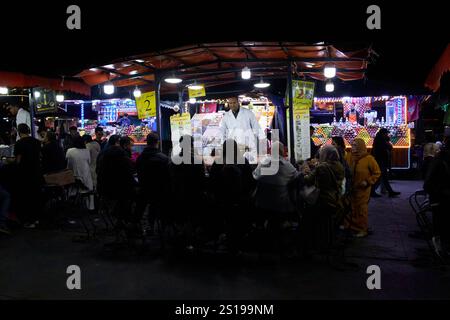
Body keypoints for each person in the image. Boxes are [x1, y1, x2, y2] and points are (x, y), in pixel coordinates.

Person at [301, 145, 344, 253]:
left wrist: (304, 171)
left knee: (305, 215)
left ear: (325, 155)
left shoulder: (322, 167)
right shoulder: (340, 166)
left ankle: (309, 244)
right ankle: (324, 239)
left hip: (323, 201)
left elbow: (307, 180)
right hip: (335, 199)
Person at [344, 138, 381, 237]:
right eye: (352, 145)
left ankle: (362, 229)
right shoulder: (349, 157)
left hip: (363, 189)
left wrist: (368, 181)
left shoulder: (369, 159)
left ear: (361, 146)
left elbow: (377, 173)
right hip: (351, 187)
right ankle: (351, 226)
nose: (353, 147)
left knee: (361, 209)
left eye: (355, 145)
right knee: (351, 207)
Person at [96, 134, 137, 223]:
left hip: (104, 187)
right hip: (116, 190)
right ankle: (129, 219)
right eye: (131, 146)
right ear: (125, 146)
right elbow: (128, 176)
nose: (132, 148)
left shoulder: (105, 153)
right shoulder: (122, 156)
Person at [136, 132, 171, 228]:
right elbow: (168, 176)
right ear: (157, 142)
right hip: (160, 192)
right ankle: (162, 228)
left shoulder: (140, 158)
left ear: (147, 142)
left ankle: (146, 227)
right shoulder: (164, 159)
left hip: (144, 190)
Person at [424, 136, 450, 257]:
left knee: (440, 223)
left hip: (439, 197)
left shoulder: (439, 160)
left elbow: (428, 182)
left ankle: (441, 249)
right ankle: (441, 249)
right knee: (441, 223)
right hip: (441, 197)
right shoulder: (439, 160)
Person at [13, 123, 43, 227]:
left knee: (27, 197)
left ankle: (29, 221)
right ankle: (37, 219)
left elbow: (18, 160)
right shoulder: (36, 142)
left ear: (19, 132)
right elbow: (40, 156)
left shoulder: (19, 143)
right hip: (37, 172)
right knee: (36, 196)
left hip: (25, 174)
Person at [219, 96, 265, 162]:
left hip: (247, 144)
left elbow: (256, 127)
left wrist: (262, 139)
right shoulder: (226, 116)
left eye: (234, 103)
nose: (232, 105)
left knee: (249, 166)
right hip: (233, 146)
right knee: (235, 167)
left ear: (238, 102)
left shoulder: (248, 113)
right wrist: (222, 144)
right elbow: (222, 131)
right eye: (230, 103)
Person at [66, 137, 94, 210]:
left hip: (73, 175)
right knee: (88, 191)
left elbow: (68, 162)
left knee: (73, 190)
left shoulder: (69, 151)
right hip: (85, 175)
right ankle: (90, 207)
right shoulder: (86, 151)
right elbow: (89, 162)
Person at [371, 128, 400, 197]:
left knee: (383, 177)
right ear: (383, 133)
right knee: (380, 176)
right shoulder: (380, 140)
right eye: (386, 133)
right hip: (380, 160)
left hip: (381, 160)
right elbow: (388, 147)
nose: (387, 134)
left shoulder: (379, 139)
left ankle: (390, 191)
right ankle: (372, 191)